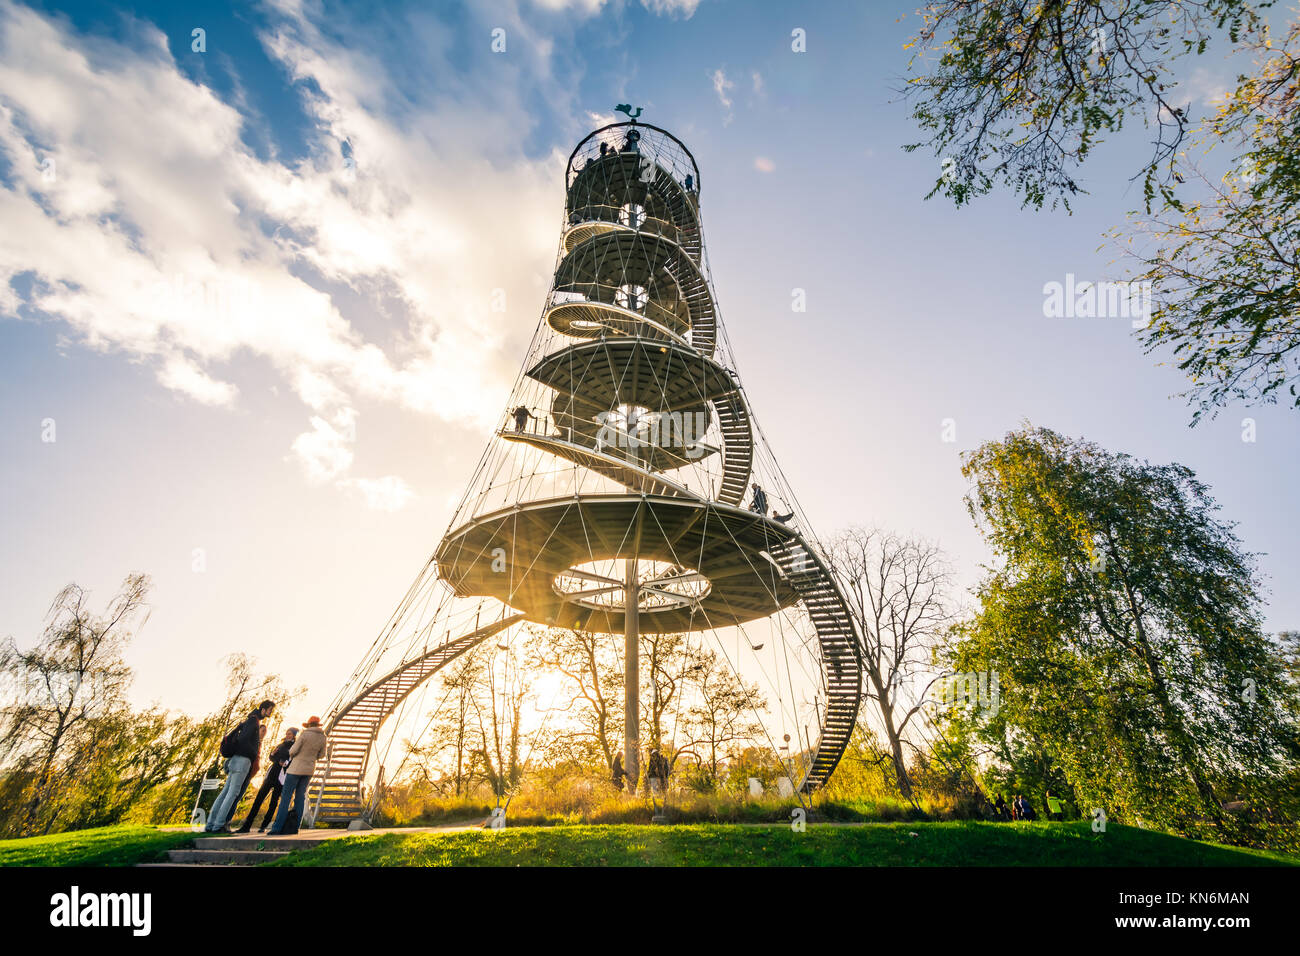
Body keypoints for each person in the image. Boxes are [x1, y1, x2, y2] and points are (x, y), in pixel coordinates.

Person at [206, 699, 275, 833]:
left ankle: (211, 824)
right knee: (232, 794)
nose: (270, 713)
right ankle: (219, 825)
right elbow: (243, 739)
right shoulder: (253, 721)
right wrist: (253, 752)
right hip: (242, 761)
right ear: (263, 709)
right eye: (270, 709)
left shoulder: (251, 720)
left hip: (237, 760)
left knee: (225, 793)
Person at [268, 716, 328, 836]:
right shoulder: (323, 737)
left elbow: (292, 751)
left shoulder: (304, 734)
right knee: (300, 797)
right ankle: (294, 827)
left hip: (295, 769)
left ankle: (277, 827)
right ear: (318, 725)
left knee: (286, 797)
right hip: (309, 770)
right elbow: (322, 755)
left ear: (309, 725)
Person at [237, 726, 298, 833]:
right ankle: (246, 825)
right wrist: (272, 754)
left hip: (281, 777)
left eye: (290, 734)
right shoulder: (280, 745)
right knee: (258, 799)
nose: (288, 735)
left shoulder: (294, 747)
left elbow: (293, 761)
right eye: (287, 733)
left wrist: (285, 763)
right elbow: (271, 758)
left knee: (273, 802)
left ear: (293, 736)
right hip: (271, 774)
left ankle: (263, 826)